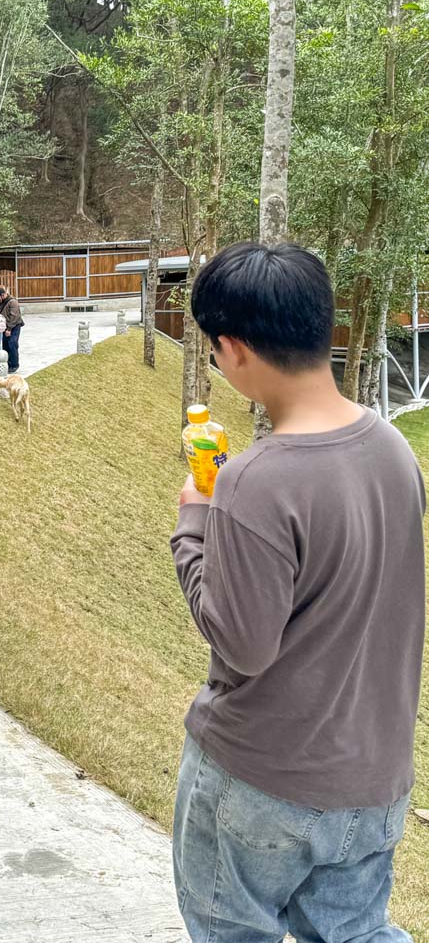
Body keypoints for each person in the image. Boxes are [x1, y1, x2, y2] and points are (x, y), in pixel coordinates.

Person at [170, 242, 424, 943]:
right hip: (372, 779)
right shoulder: (391, 447)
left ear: (231, 347)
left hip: (265, 780)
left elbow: (243, 644)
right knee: (355, 934)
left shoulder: (257, 479)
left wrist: (194, 525)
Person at [0, 285, 24, 373]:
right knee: (5, 345)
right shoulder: (1, 303)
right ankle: (7, 364)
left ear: (2, 295)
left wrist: (9, 329)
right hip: (5, 326)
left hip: (14, 326)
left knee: (12, 344)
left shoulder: (13, 302)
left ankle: (14, 364)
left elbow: (14, 316)